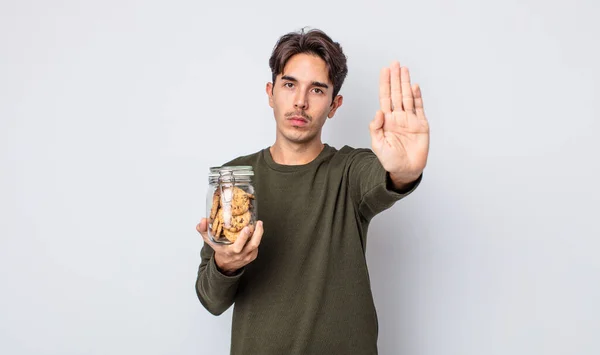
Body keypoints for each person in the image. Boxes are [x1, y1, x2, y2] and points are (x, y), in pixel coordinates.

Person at [195, 27, 430, 354]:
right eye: (289, 84)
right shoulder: (235, 178)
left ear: (335, 105)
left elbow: (385, 178)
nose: (300, 102)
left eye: (317, 90)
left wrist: (405, 170)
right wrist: (226, 264)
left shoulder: (350, 170)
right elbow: (211, 300)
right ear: (270, 92)